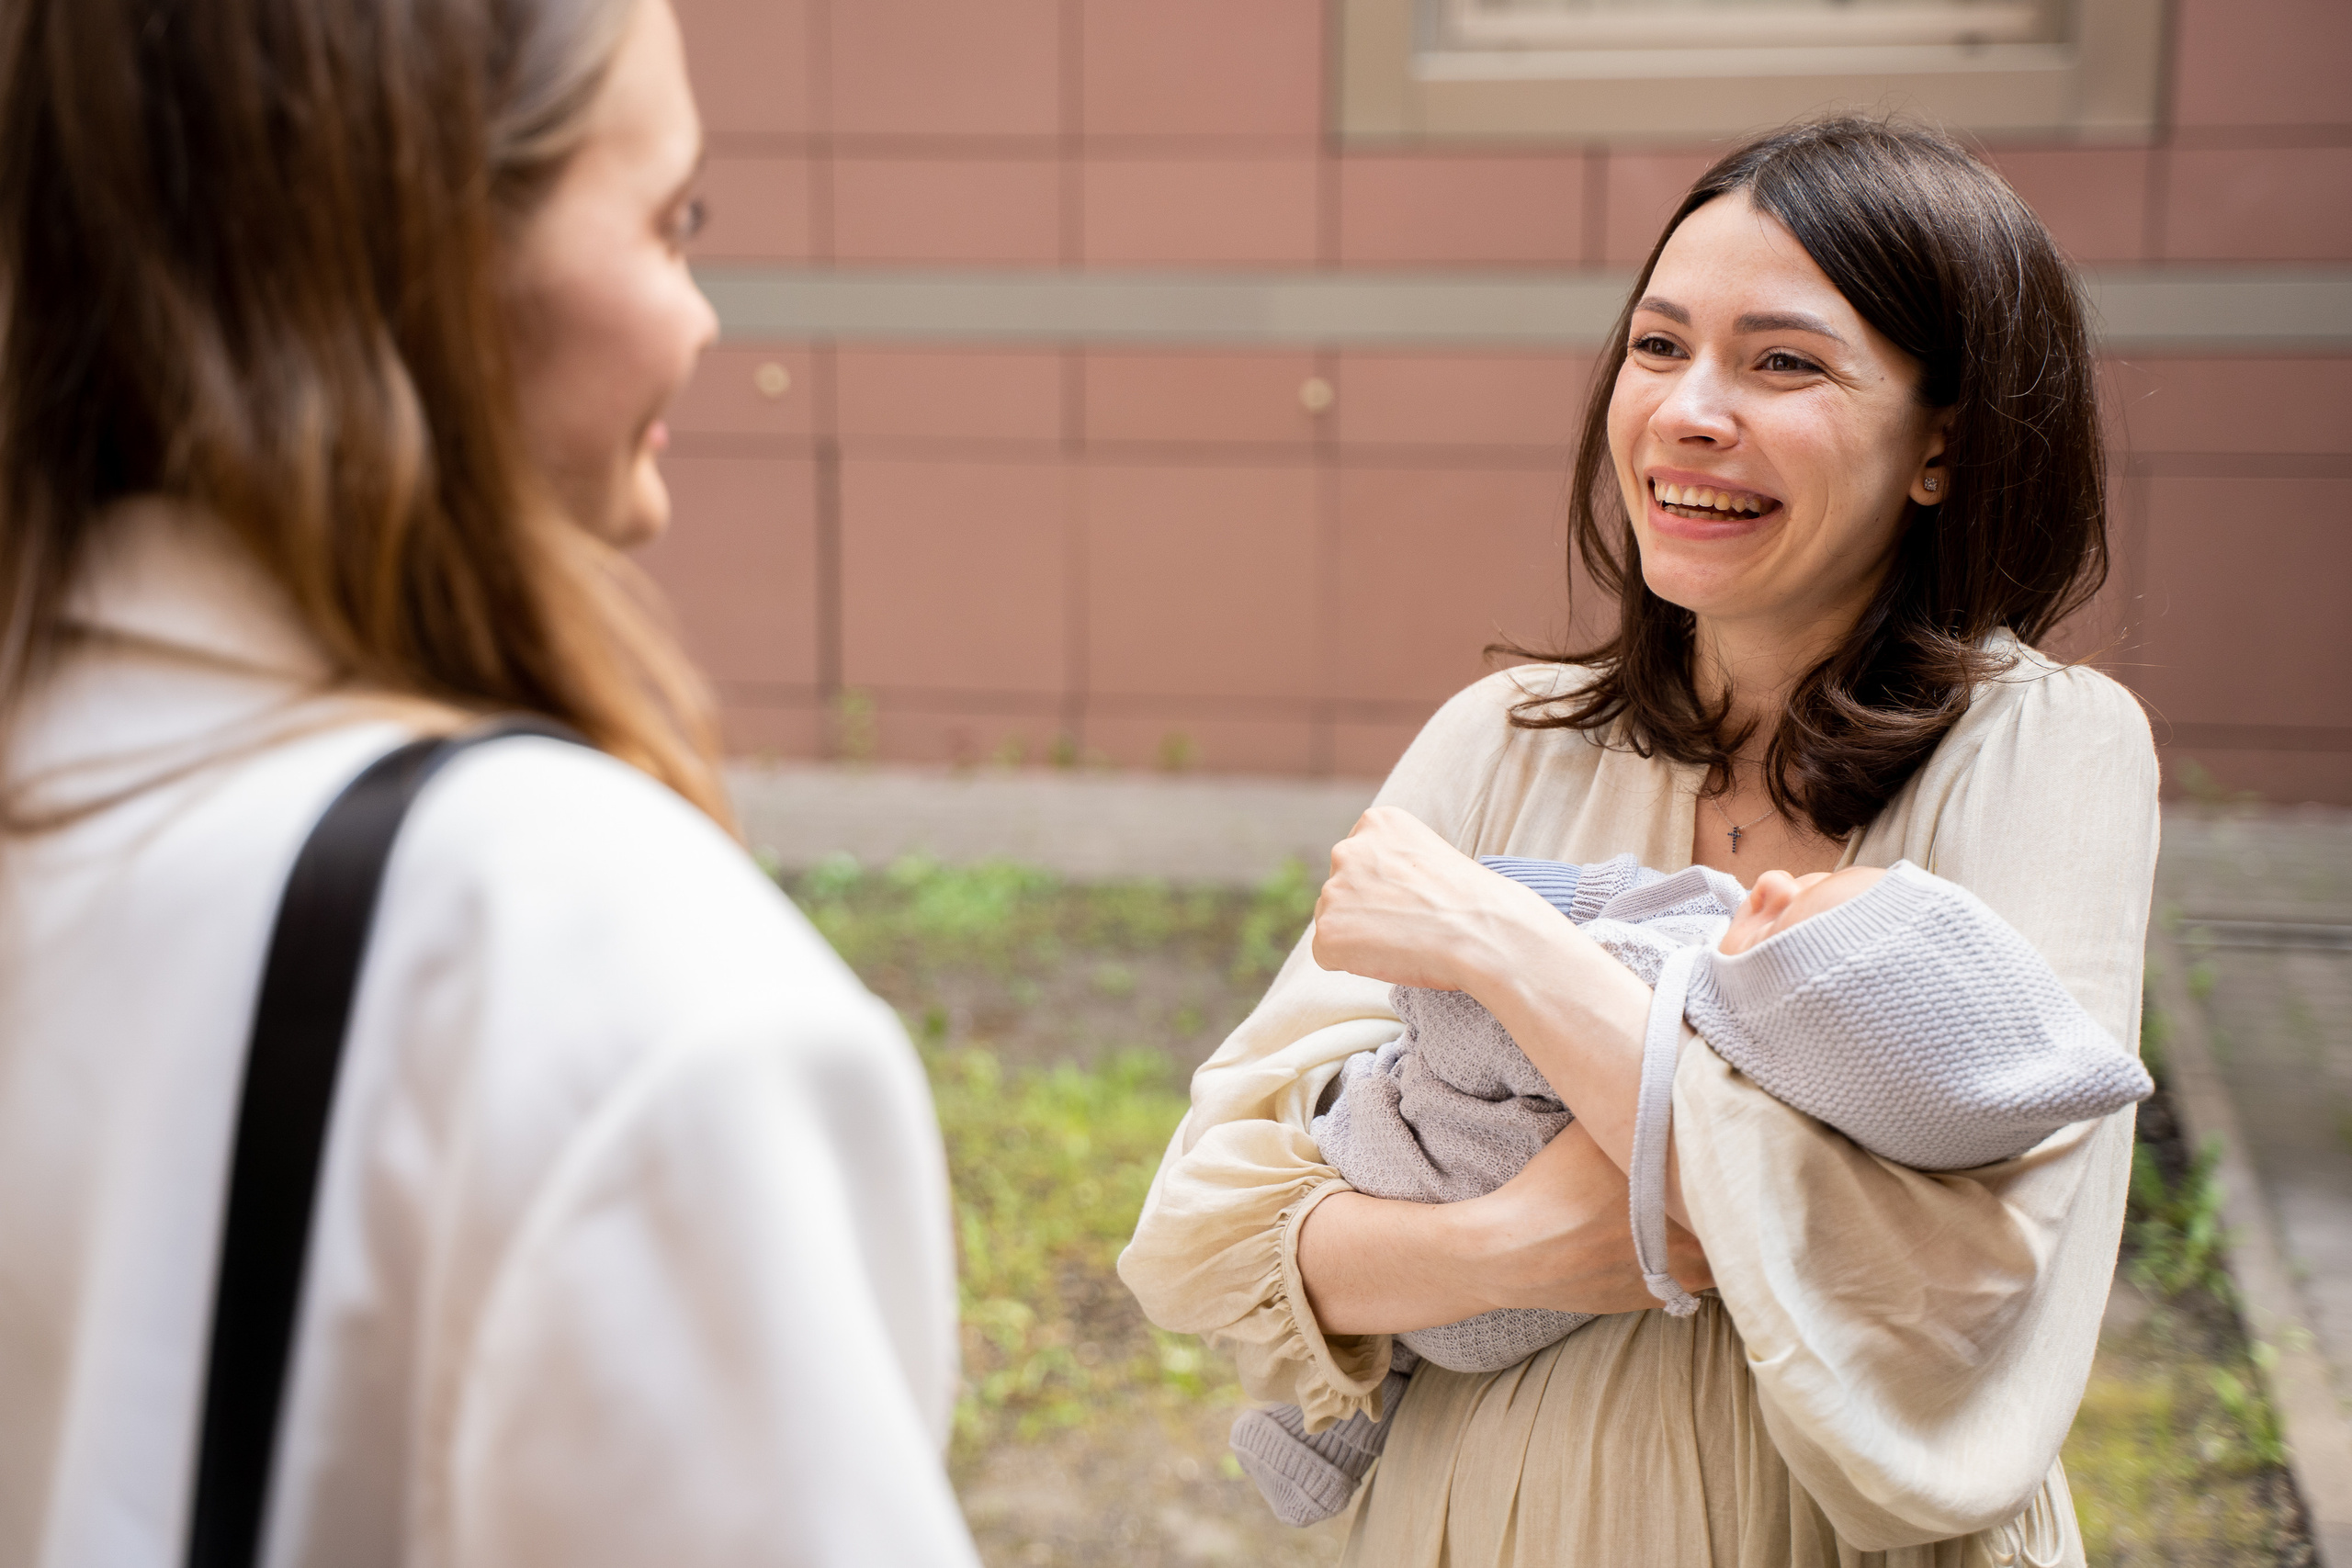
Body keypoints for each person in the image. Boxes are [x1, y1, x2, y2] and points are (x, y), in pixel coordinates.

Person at [0, 2, 979, 1564]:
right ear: (425, 255)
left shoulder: (69, 777)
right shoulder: (582, 959)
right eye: (673, 220)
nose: (701, 319)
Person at [1119, 116, 2157, 1566]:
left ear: (1943, 443)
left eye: (1782, 362)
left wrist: (1505, 942)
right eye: (1659, 345)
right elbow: (1207, 1229)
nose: (1686, 411)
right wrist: (1519, 1244)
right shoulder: (1504, 736)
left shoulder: (2047, 745)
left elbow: (1958, 1283)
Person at [1229, 854, 2153, 1525]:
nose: (1774, 883)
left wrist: (1437, 987)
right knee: (1386, 1335)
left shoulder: (1658, 994)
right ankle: (1330, 1425)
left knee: (1351, 1176)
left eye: (1796, 914)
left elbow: (1483, 1022)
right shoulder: (1764, 1072)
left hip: (1412, 1174)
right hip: (1478, 1309)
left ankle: (1323, 1417)